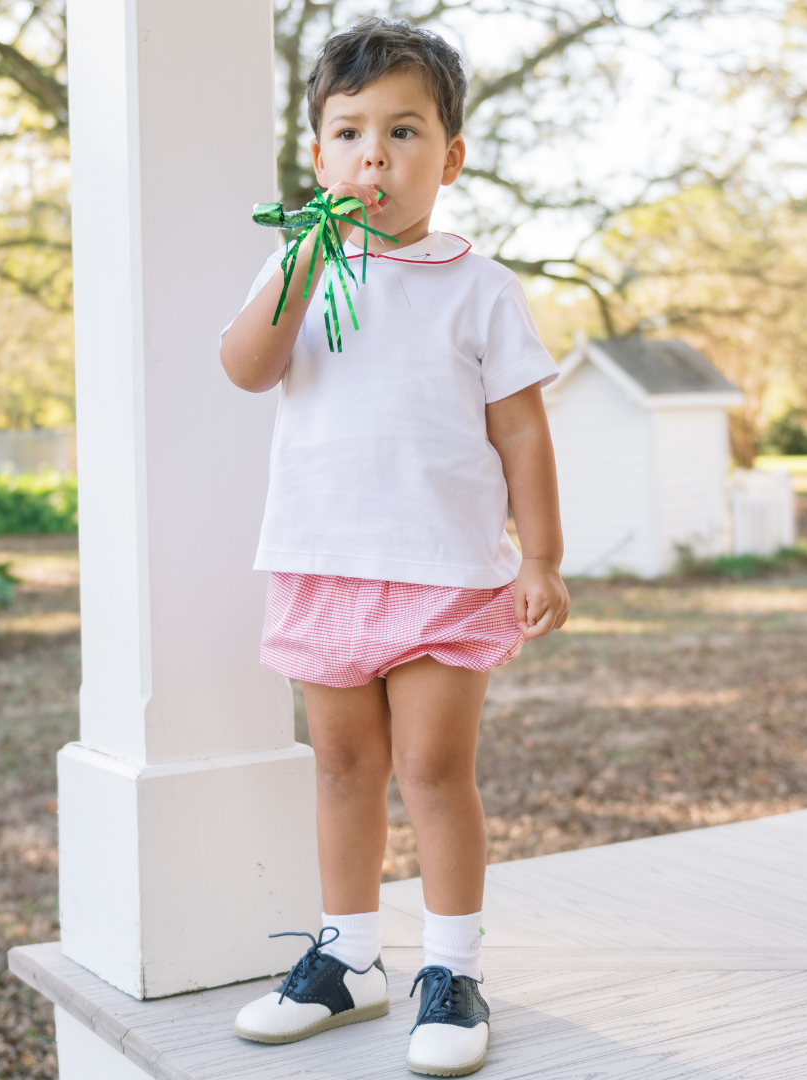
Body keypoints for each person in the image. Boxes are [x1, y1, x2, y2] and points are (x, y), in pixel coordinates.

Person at [220, 17, 570, 1076]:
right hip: (326, 566)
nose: (376, 154)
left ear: (450, 158)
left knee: (431, 770)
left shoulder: (481, 287)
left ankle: (453, 968)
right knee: (340, 768)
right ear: (319, 156)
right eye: (350, 131)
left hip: (446, 577)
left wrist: (543, 555)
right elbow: (245, 366)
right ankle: (351, 959)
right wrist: (303, 260)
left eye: (406, 131)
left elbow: (522, 430)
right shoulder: (299, 265)